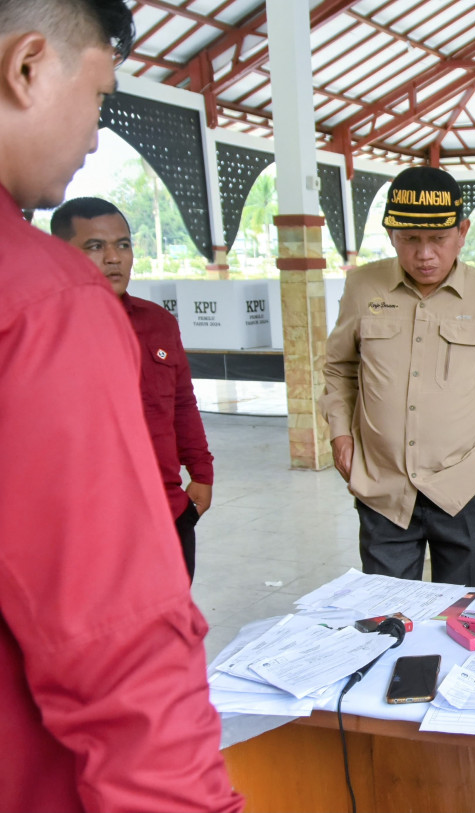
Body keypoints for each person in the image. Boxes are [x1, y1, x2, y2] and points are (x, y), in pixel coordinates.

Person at [0, 1, 242, 810]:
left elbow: (181, 411)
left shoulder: (143, 321)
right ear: (28, 66)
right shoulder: (42, 298)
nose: (97, 134)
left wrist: (197, 471)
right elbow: (114, 639)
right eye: (100, 95)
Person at [321, 167, 475, 587]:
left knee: (460, 615)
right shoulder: (363, 287)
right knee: (387, 616)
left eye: (438, 239)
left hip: (462, 488)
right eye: (410, 239)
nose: (424, 254)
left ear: (462, 232)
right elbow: (339, 368)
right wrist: (340, 433)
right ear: (392, 234)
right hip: (383, 488)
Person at [52, 196, 214, 583]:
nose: (113, 258)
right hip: (88, 527)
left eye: (122, 245)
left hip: (167, 512)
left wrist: (202, 472)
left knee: (172, 630)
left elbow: (181, 404)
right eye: (95, 246)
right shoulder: (46, 330)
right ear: (61, 254)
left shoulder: (158, 323)